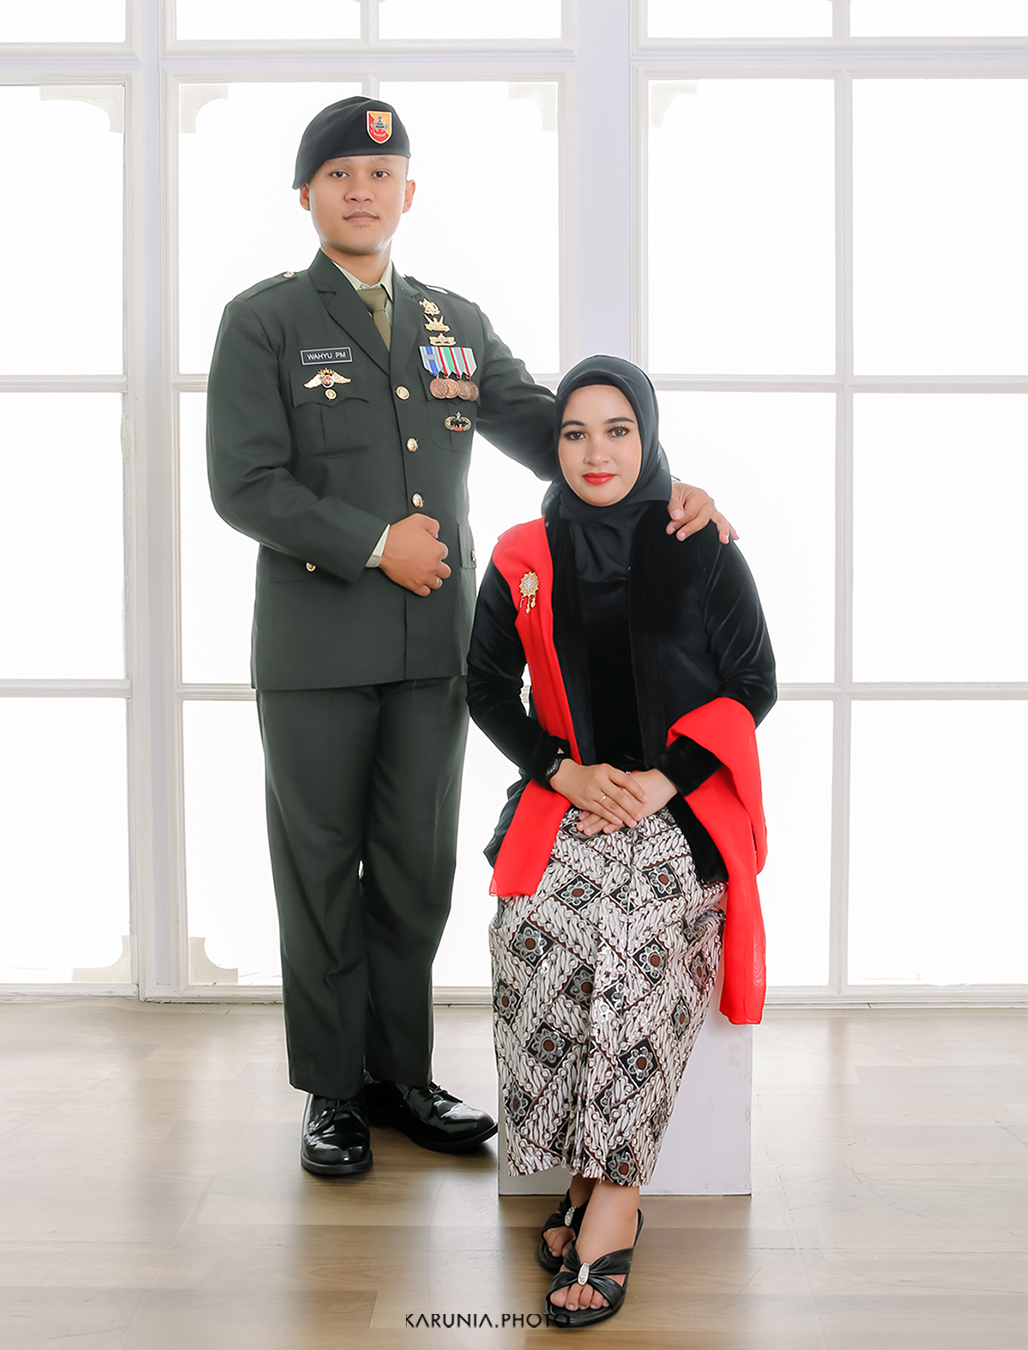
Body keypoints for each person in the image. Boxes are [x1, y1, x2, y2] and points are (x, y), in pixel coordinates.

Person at [206, 97, 734, 1179]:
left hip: (433, 650)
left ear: (410, 193)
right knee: (317, 868)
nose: (363, 189)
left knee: (413, 870)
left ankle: (399, 1075)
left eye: (381, 174)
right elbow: (243, 483)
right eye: (340, 173)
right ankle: (331, 1091)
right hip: (314, 648)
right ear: (305, 195)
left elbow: (560, 431)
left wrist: (675, 490)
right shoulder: (262, 321)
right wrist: (372, 542)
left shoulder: (451, 322)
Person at [466, 355, 776, 1327]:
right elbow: (483, 688)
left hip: (676, 801)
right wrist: (561, 772)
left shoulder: (698, 539)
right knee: (536, 922)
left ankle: (616, 1199)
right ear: (552, 448)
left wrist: (659, 780)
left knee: (639, 930)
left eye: (617, 430)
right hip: (569, 793)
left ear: (647, 436)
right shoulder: (523, 549)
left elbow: (753, 681)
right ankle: (583, 1174)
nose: (596, 452)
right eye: (573, 433)